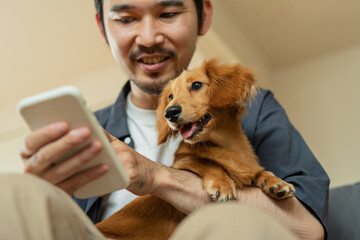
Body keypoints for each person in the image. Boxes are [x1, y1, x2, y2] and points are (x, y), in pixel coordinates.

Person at [17, 0, 329, 239]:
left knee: (229, 220)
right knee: (14, 192)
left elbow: (307, 229)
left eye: (168, 13)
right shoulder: (82, 132)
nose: (149, 37)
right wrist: (40, 198)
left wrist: (156, 177)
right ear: (102, 28)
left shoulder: (255, 108)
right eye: (126, 18)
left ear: (203, 15)